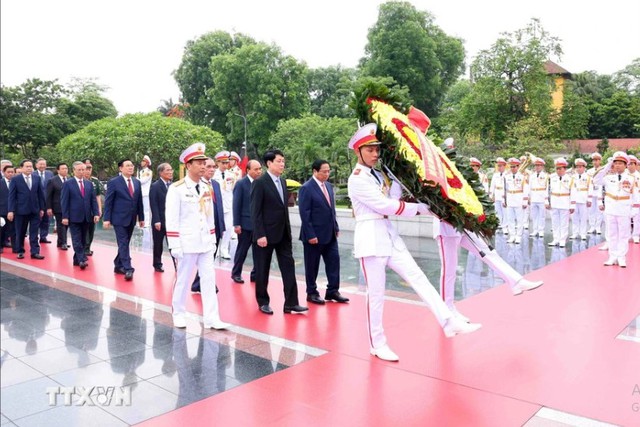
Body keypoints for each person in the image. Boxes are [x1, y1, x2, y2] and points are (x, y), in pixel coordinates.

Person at [347, 123, 480, 362]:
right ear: (358, 152)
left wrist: (399, 179)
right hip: (371, 237)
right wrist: (420, 209)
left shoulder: (377, 175)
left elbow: (391, 199)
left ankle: (448, 322)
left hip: (388, 234)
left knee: (418, 277)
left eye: (377, 149)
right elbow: (384, 206)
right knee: (376, 295)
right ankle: (377, 344)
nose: (375, 154)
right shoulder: (357, 179)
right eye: (370, 150)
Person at [165, 142, 229, 330]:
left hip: (205, 243)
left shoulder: (206, 187)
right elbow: (172, 219)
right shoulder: (177, 189)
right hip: (186, 243)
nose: (203, 166)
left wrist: (212, 238)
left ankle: (211, 318)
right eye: (199, 162)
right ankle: (178, 313)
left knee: (209, 280)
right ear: (188, 165)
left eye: (204, 162)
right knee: (183, 279)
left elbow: (208, 216)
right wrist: (174, 244)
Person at [434, 217, 543, 321]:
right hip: (446, 228)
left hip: (463, 224)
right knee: (449, 270)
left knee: (489, 252)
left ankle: (516, 282)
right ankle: (448, 310)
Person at [251, 149, 307, 315]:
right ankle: (263, 302)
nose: (282, 164)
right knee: (262, 270)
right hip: (265, 236)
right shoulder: (259, 183)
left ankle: (291, 303)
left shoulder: (282, 182)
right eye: (279, 161)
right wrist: (260, 234)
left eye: (283, 161)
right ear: (269, 163)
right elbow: (256, 211)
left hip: (283, 234)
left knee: (288, 268)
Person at [298, 159, 349, 305]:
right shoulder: (306, 188)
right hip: (314, 235)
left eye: (328, 171)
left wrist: (336, 227)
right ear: (315, 171)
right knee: (312, 265)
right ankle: (312, 292)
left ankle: (333, 291)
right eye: (324, 171)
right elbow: (304, 214)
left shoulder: (328, 186)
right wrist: (311, 234)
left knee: (334, 262)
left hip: (330, 233)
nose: (327, 174)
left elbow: (331, 210)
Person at [593, 151, 639, 267]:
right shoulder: (608, 178)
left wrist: (635, 209)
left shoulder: (632, 178)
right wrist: (607, 165)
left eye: (620, 163)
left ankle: (621, 257)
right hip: (611, 210)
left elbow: (635, 195)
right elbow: (596, 180)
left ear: (625, 165)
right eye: (616, 163)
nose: (618, 165)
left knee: (624, 234)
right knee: (612, 234)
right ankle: (612, 256)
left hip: (624, 210)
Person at [103, 159, 144, 281]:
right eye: (127, 166)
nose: (130, 168)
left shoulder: (137, 182)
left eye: (131, 166)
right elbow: (109, 202)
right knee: (123, 242)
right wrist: (106, 219)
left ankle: (118, 264)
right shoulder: (114, 182)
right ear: (120, 168)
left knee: (125, 243)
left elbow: (139, 202)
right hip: (118, 218)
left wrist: (141, 218)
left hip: (131, 218)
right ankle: (128, 268)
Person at [191, 157, 225, 293]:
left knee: (212, 255)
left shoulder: (215, 184)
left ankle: (198, 284)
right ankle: (206, 283)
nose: (211, 170)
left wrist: (221, 226)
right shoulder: (197, 185)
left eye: (213, 167)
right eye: (208, 166)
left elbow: (219, 207)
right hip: (202, 228)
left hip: (215, 227)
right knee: (205, 258)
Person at [61, 161, 100, 270]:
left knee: (84, 239)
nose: (82, 172)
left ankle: (76, 259)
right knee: (76, 239)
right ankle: (82, 259)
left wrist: (96, 213)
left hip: (87, 216)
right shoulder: (68, 184)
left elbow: (93, 200)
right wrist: (65, 216)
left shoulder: (88, 184)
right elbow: (64, 201)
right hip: (74, 217)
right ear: (74, 171)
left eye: (84, 169)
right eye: (79, 170)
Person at [231, 159, 262, 284]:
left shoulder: (261, 183)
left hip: (258, 225)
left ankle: (256, 274)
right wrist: (236, 223)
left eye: (260, 169)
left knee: (258, 252)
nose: (259, 171)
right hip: (245, 224)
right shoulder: (241, 184)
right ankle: (236, 273)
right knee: (242, 250)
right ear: (248, 170)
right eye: (256, 169)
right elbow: (236, 205)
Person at [7, 159, 46, 259]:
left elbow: (41, 195)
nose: (29, 168)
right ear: (21, 167)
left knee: (34, 232)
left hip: (35, 210)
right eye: (27, 166)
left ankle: (35, 252)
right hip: (21, 210)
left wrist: (42, 208)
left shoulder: (37, 178)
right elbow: (11, 196)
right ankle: (20, 250)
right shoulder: (15, 179)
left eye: (30, 166)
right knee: (20, 231)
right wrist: (11, 210)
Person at [149, 163, 174, 272]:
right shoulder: (155, 186)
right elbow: (153, 205)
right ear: (161, 172)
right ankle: (157, 264)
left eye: (171, 170)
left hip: (172, 221)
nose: (170, 172)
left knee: (173, 244)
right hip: (159, 221)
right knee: (158, 244)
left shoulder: (173, 186)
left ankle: (177, 264)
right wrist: (157, 220)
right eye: (167, 170)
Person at [213, 151, 237, 259]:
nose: (225, 165)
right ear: (217, 162)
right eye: (222, 162)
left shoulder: (231, 175)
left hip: (228, 204)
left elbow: (233, 190)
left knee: (228, 228)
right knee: (217, 228)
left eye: (226, 162)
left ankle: (224, 249)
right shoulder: (213, 174)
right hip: (217, 205)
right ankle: (216, 248)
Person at [546, 158, 572, 247]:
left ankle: (562, 240)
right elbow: (547, 190)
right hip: (554, 202)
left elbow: (573, 192)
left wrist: (572, 205)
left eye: (560, 168)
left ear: (565, 169)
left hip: (565, 202)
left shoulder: (570, 179)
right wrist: (547, 201)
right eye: (557, 168)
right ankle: (556, 239)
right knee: (555, 223)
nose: (558, 170)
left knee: (564, 223)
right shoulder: (551, 178)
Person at [502, 157, 529, 244]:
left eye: (514, 167)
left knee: (519, 219)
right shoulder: (506, 177)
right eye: (511, 167)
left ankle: (518, 236)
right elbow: (504, 189)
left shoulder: (522, 177)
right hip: (510, 199)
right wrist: (504, 200)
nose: (513, 168)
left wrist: (525, 201)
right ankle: (512, 235)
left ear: (518, 167)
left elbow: (526, 189)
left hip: (519, 199)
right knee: (510, 219)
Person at [46, 163, 70, 250]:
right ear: (58, 170)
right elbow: (48, 195)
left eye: (66, 168)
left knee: (66, 224)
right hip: (57, 206)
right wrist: (49, 207)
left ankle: (60, 242)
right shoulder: (52, 181)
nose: (65, 170)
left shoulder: (69, 180)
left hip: (68, 207)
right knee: (61, 224)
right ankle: (63, 242)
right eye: (63, 169)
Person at [82, 159, 103, 256]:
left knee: (91, 229)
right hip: (82, 209)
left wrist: (99, 209)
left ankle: (88, 247)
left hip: (93, 209)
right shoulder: (79, 181)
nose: (88, 170)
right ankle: (85, 248)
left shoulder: (95, 181)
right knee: (84, 229)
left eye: (89, 168)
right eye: (86, 168)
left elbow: (98, 196)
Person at [569, 158, 593, 240]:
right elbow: (571, 189)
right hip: (574, 199)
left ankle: (583, 233)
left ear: (584, 167)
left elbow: (590, 189)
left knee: (583, 218)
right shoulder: (572, 177)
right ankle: (575, 233)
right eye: (577, 167)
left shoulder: (588, 177)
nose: (578, 168)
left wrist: (589, 200)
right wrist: (571, 201)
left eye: (580, 167)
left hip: (584, 199)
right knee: (574, 218)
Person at [33, 158, 53, 243]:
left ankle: (43, 236)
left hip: (47, 201)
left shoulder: (50, 174)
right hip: (36, 201)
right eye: (40, 164)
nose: (42, 166)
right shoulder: (32, 174)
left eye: (44, 164)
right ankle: (34, 237)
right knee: (36, 220)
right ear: (36, 165)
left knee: (46, 220)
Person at [528, 158, 548, 238]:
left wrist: (546, 200)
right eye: (536, 165)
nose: (537, 167)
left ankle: (541, 230)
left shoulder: (546, 176)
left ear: (542, 166)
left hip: (542, 197)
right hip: (533, 197)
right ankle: (535, 230)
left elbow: (547, 188)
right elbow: (529, 187)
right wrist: (529, 197)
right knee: (534, 215)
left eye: (539, 165)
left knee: (542, 215)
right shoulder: (532, 176)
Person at [587, 152, 604, 234]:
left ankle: (598, 227)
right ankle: (592, 226)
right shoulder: (589, 171)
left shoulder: (603, 170)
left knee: (599, 211)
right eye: (594, 160)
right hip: (591, 192)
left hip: (599, 192)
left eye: (597, 160)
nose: (595, 162)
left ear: (600, 161)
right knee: (591, 210)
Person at [489, 157, 507, 231]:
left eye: (501, 166)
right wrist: (491, 195)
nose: (499, 167)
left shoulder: (507, 174)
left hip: (503, 195)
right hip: (497, 193)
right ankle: (499, 223)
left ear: (504, 166)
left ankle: (505, 225)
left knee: (505, 211)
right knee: (497, 210)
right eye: (498, 166)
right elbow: (492, 186)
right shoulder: (495, 175)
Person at [0, 165, 16, 251]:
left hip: (14, 211)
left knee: (14, 230)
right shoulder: (1, 182)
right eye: (8, 172)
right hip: (2, 210)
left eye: (12, 172)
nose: (10, 174)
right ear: (3, 173)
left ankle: (15, 247)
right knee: (2, 230)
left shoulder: (17, 182)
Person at [628, 155, 640, 244]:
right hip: (626, 201)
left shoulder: (638, 176)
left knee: (637, 219)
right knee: (626, 219)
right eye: (628, 164)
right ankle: (627, 235)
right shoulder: (624, 175)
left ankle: (635, 235)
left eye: (632, 164)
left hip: (636, 200)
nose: (629, 166)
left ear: (636, 165)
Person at [138, 155, 153, 228]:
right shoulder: (141, 171)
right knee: (141, 208)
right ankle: (142, 221)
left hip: (146, 192)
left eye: (143, 161)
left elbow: (143, 181)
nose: (141, 162)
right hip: (141, 192)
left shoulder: (148, 172)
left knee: (146, 209)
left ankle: (147, 222)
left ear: (147, 163)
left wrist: (135, 180)